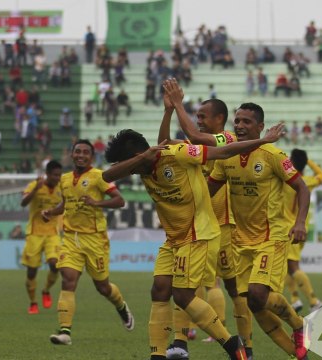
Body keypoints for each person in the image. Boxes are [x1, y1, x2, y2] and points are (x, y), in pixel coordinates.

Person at [102, 120, 286, 360]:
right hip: (174, 238)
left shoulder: (177, 154)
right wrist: (144, 152)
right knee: (159, 290)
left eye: (130, 163)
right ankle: (157, 355)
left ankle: (235, 348)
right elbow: (107, 175)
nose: (131, 170)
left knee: (186, 295)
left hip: (199, 233)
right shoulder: (142, 163)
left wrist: (262, 141)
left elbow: (222, 151)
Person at [156, 80, 253, 359]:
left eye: (202, 116)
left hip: (223, 226)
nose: (198, 120)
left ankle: (243, 343)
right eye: (196, 116)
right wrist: (167, 112)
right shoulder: (195, 143)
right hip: (197, 226)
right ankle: (180, 342)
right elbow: (163, 144)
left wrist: (178, 105)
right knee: (187, 283)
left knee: (230, 287)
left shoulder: (228, 139)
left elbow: (197, 139)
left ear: (219, 119)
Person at [207, 103, 310, 360]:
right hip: (239, 241)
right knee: (253, 303)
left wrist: (299, 223)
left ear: (261, 127)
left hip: (271, 237)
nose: (240, 126)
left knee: (257, 294)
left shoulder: (273, 155)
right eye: (237, 121)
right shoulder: (227, 156)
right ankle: (297, 353)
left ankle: (298, 324)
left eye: (247, 122)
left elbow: (302, 188)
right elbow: (208, 193)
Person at [43, 140, 133, 345]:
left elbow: (120, 201)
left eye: (85, 152)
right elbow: (65, 204)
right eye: (77, 151)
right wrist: (51, 212)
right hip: (71, 238)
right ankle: (65, 331)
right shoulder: (64, 180)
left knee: (103, 287)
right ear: (72, 155)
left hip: (95, 239)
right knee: (67, 279)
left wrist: (97, 203)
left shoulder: (100, 177)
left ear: (91, 157)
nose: (81, 155)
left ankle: (121, 306)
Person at [282, 150, 322, 314]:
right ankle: (295, 300)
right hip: (301, 228)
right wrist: (308, 162)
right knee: (287, 267)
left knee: (293, 267)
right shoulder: (308, 181)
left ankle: (314, 301)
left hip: (288, 228)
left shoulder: (284, 180)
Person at [20, 160, 63, 315]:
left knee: (55, 264)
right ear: (48, 174)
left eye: (59, 175)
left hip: (52, 233)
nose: (58, 178)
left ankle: (46, 290)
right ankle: (33, 302)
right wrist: (35, 191)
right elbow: (23, 203)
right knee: (32, 271)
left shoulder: (61, 188)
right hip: (34, 233)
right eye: (55, 175)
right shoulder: (35, 185)